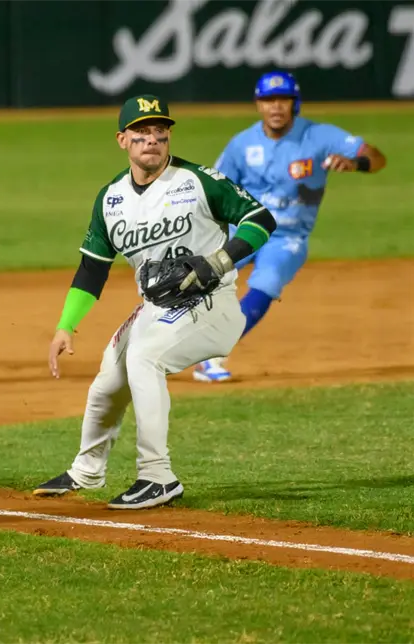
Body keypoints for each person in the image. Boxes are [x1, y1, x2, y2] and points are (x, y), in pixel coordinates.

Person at [32, 95, 276, 509]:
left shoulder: (198, 180)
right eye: (141, 132)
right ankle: (86, 471)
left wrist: (218, 261)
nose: (152, 139)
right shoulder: (111, 199)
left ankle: (157, 476)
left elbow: (261, 220)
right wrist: (65, 325)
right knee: (108, 383)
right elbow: (92, 269)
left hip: (213, 302)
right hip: (157, 307)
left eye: (159, 131)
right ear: (122, 140)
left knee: (144, 358)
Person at [193, 71, 387, 383]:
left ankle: (213, 355)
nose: (276, 107)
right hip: (244, 229)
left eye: (283, 99)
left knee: (266, 283)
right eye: (268, 100)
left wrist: (356, 163)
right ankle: (158, 343)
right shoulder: (242, 144)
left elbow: (377, 158)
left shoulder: (320, 136)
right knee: (201, 276)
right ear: (258, 105)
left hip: (287, 236)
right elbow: (216, 188)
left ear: (295, 103)